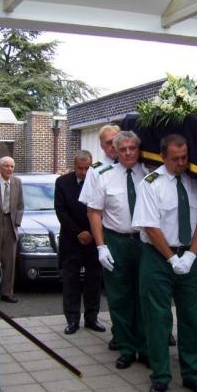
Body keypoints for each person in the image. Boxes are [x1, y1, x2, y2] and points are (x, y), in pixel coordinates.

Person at [132, 134, 197, 392]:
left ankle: (192, 374)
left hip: (189, 256)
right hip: (158, 257)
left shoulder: (196, 181)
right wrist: (171, 258)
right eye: (175, 159)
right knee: (158, 319)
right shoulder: (150, 184)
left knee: (192, 317)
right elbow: (150, 226)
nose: (181, 163)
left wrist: (191, 255)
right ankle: (160, 376)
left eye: (184, 158)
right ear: (163, 156)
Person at [86, 131, 148, 369]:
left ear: (138, 149)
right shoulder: (104, 176)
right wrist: (101, 246)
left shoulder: (149, 174)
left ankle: (145, 347)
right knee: (119, 297)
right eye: (123, 149)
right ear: (116, 151)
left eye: (132, 148)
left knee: (144, 295)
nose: (128, 153)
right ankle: (126, 348)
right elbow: (94, 212)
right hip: (116, 241)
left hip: (144, 241)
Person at [78, 124, 121, 350]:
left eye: (116, 139)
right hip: (113, 237)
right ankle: (120, 333)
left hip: (141, 237)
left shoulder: (135, 162)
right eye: (107, 142)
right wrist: (101, 245)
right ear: (102, 146)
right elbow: (92, 210)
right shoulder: (96, 170)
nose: (113, 145)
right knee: (116, 292)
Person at [55, 150, 106, 335]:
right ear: (74, 166)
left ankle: (92, 318)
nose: (84, 172)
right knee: (71, 281)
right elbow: (61, 211)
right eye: (80, 168)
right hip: (71, 239)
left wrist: (93, 233)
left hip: (94, 239)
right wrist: (78, 233)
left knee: (94, 280)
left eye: (87, 168)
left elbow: (102, 210)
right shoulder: (62, 182)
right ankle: (72, 320)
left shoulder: (99, 180)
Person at [0, 156, 24, 303]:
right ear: (0, 168)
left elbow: (20, 205)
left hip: (10, 224)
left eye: (12, 166)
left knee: (9, 262)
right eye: (6, 166)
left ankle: (7, 293)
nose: (9, 169)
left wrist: (17, 222)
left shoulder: (17, 182)